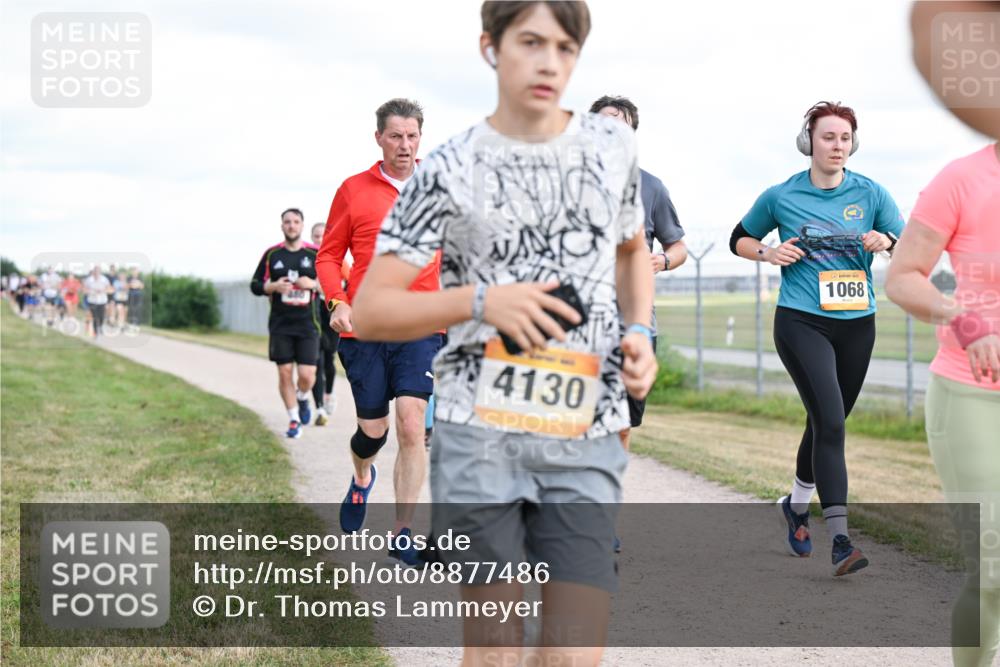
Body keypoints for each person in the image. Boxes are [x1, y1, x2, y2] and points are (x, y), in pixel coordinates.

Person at [351, 2, 657, 662]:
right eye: (531, 42)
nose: (551, 61)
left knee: (575, 650)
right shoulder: (450, 166)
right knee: (494, 645)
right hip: (480, 430)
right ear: (490, 46)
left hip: (587, 425)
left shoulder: (613, 148)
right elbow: (373, 307)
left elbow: (633, 251)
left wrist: (637, 331)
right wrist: (483, 300)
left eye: (567, 47)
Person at [730, 101, 904, 576]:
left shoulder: (871, 194)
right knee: (831, 420)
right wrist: (769, 251)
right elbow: (739, 238)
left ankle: (795, 506)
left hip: (857, 325)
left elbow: (907, 244)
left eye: (845, 139)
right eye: (828, 137)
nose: (837, 146)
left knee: (826, 422)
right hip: (801, 321)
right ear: (809, 141)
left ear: (854, 144)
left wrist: (886, 243)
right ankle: (842, 541)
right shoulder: (781, 195)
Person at [884, 4, 1000, 663]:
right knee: (994, 570)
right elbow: (901, 277)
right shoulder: (961, 180)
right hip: (974, 396)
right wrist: (962, 314)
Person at [317, 97, 442, 567]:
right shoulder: (353, 189)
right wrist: (338, 300)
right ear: (379, 139)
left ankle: (403, 532)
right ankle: (362, 475)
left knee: (413, 424)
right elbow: (328, 256)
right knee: (373, 433)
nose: (405, 145)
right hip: (364, 326)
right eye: (396, 136)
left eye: (412, 136)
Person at [590, 94, 688, 449]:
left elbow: (678, 247)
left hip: (633, 322)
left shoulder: (652, 187)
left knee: (621, 424)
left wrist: (661, 260)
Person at [250, 208, 321, 439]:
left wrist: (311, 283)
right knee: (284, 373)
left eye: (296, 222)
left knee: (307, 375)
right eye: (287, 222)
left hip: (308, 324)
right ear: (282, 226)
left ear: (302, 225)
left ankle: (302, 398)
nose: (291, 225)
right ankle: (293, 420)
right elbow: (255, 284)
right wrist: (271, 287)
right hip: (280, 324)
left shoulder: (315, 253)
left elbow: (331, 285)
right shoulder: (272, 255)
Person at [309, 222, 349, 426]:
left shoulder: (338, 261)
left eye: (323, 236)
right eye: (316, 236)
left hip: (331, 312)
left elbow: (350, 282)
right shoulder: (308, 258)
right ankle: (319, 408)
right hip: (313, 315)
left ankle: (329, 393)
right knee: (317, 360)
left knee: (329, 358)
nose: (319, 240)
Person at [83, 266, 111, 338]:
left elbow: (109, 288)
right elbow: (84, 290)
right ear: (94, 272)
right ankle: (95, 332)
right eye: (95, 271)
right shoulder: (89, 280)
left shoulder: (104, 279)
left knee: (101, 316)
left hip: (102, 300)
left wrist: (102, 291)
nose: (96, 273)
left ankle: (100, 326)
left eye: (98, 271)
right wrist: (91, 291)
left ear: (100, 272)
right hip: (92, 300)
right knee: (94, 317)